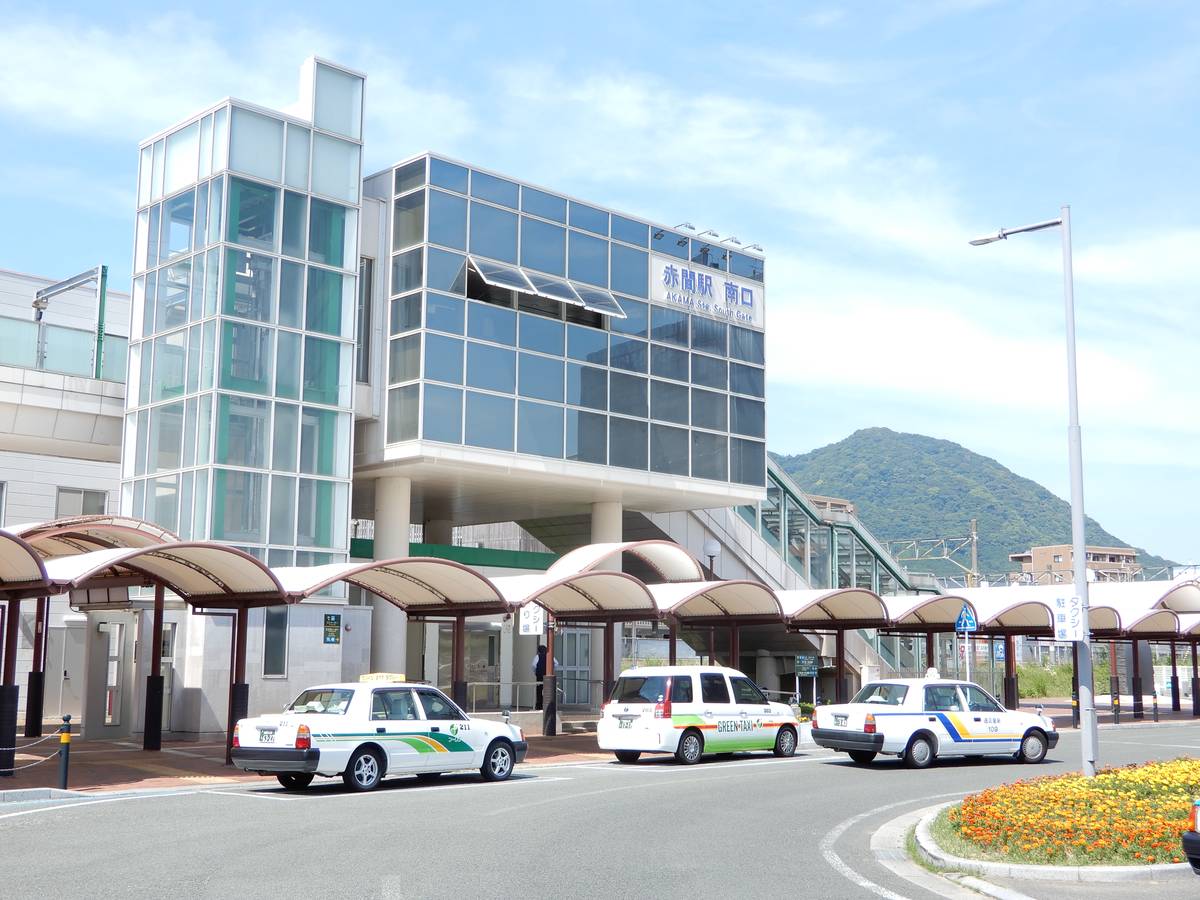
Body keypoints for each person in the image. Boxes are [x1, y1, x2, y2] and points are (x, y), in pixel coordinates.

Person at [532, 645, 548, 710]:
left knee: (539, 690)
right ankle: (546, 705)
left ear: (539, 651)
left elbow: (533, 665)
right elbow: (556, 663)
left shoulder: (537, 656)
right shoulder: (549, 656)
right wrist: (551, 670)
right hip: (547, 676)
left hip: (539, 675)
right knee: (547, 690)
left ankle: (539, 705)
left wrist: (536, 671)